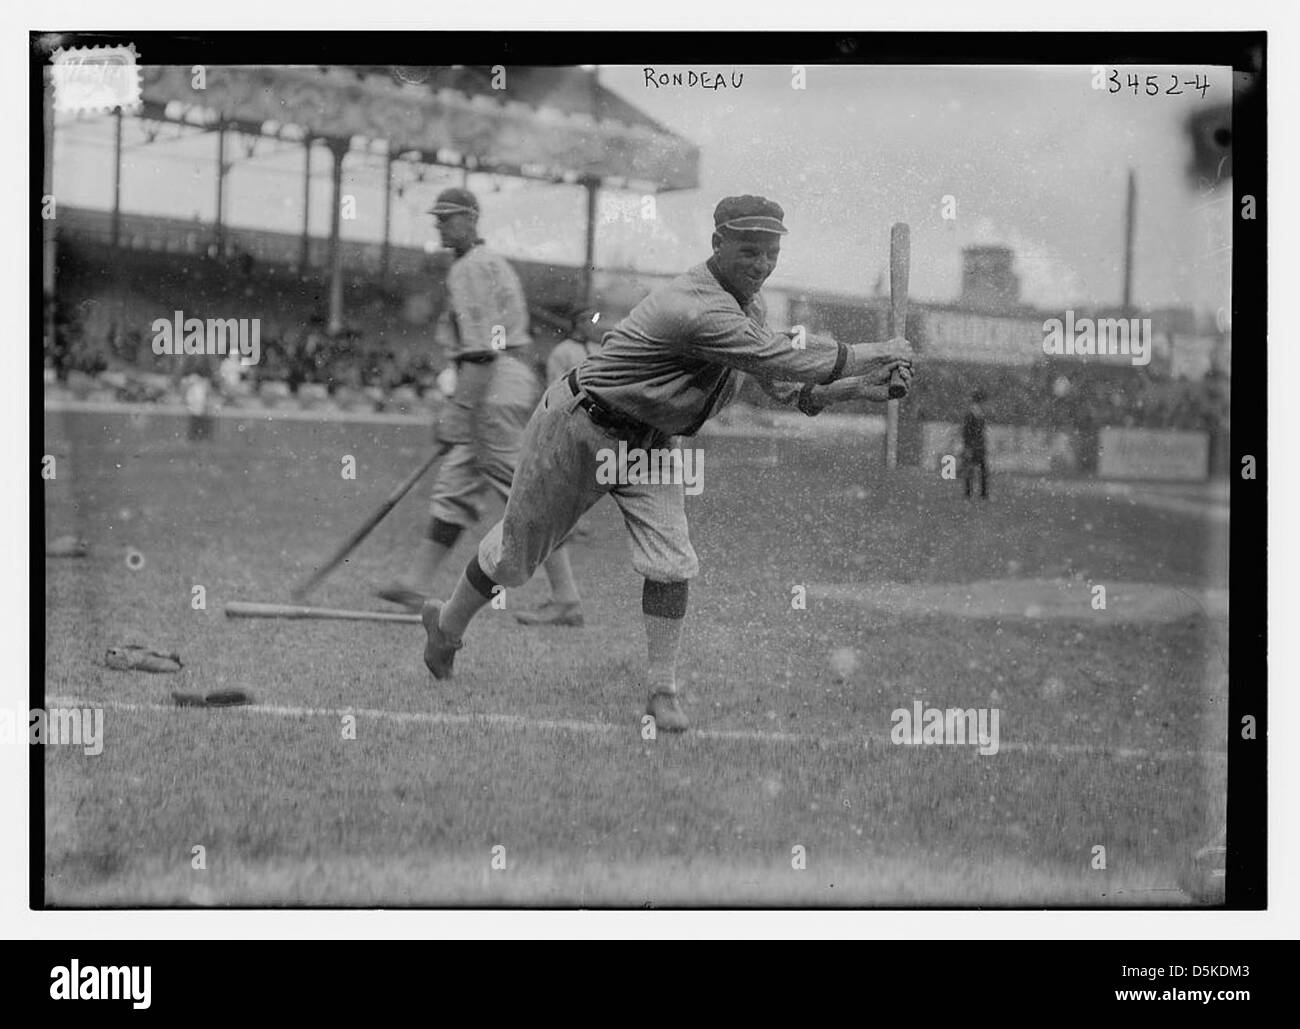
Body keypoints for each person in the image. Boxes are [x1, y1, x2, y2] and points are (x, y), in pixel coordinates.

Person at [419, 194, 914, 732]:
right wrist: (879, 350)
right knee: (515, 558)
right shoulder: (693, 305)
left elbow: (787, 386)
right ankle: (445, 627)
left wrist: (859, 389)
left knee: (672, 560)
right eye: (749, 251)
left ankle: (662, 689)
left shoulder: (751, 310)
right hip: (579, 423)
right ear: (717, 244)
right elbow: (786, 357)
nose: (761, 264)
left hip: (652, 443)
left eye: (771, 252)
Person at [377, 187, 584, 627]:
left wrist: (460, 408)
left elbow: (484, 349)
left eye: (449, 218)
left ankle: (566, 597)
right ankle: (415, 582)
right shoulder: (482, 264)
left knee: (523, 495)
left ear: (472, 218)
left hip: (493, 382)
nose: (441, 226)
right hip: (493, 379)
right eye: (438, 219)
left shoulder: (472, 268)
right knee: (455, 486)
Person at [961, 390, 989, 500]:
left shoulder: (977, 412)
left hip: (977, 445)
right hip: (974, 445)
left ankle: (973, 493)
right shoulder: (973, 413)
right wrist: (968, 445)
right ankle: (977, 493)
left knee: (977, 469)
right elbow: (967, 431)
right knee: (977, 469)